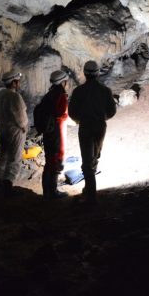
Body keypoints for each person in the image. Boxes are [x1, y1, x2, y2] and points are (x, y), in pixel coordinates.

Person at [68, 61, 116, 205]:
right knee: (95, 155)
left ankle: (91, 196)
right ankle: (89, 189)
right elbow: (112, 111)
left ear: (85, 73)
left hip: (86, 127)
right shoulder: (105, 91)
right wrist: (101, 117)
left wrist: (80, 120)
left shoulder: (78, 91)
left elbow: (72, 112)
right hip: (100, 126)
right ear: (97, 73)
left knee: (87, 159)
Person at [0, 70, 28, 194]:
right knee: (14, 159)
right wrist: (23, 127)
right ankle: (8, 185)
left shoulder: (0, 98)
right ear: (14, 82)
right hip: (15, 131)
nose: (19, 84)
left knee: (3, 156)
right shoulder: (15, 97)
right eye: (17, 81)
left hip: (3, 130)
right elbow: (20, 115)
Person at [41, 70, 70, 199]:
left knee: (49, 160)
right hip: (56, 131)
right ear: (63, 82)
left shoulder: (49, 94)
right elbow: (60, 114)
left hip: (48, 131)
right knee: (55, 159)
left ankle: (46, 192)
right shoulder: (60, 95)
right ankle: (52, 192)